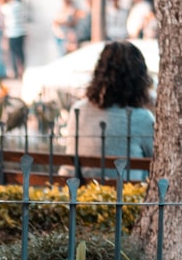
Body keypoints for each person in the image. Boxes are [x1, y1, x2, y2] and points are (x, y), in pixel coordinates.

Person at [65, 40, 155, 181]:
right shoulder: (142, 118)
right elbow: (157, 160)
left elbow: (70, 162)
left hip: (83, 195)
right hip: (128, 197)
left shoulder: (78, 110)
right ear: (139, 79)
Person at [0, 0, 27, 78]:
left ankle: (15, 71)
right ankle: (21, 69)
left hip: (12, 33)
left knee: (14, 53)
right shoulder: (21, 5)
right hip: (21, 32)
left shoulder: (9, 7)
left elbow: (1, 10)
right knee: (20, 52)